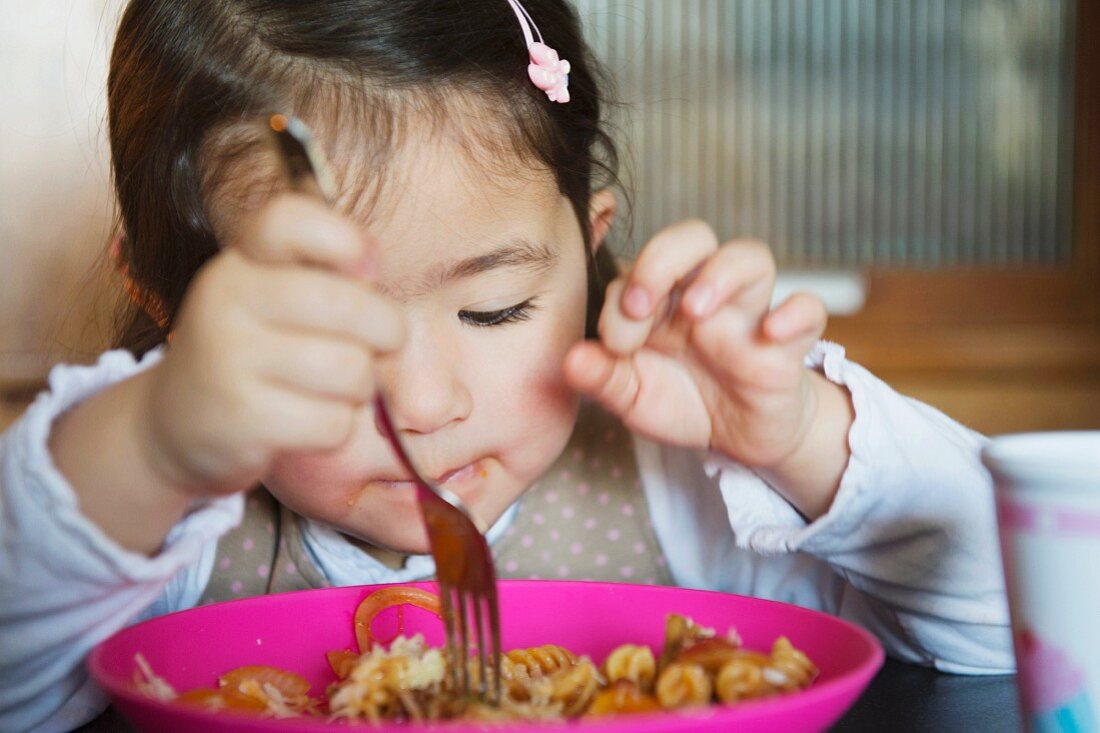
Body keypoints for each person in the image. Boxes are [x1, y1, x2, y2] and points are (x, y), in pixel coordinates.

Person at [0, 0, 1014, 729]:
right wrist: (153, 440)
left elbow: (1021, 625)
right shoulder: (164, 530)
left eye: (497, 308)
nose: (428, 403)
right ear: (166, 305)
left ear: (589, 245)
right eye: (330, 333)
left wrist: (802, 438)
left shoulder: (679, 487)